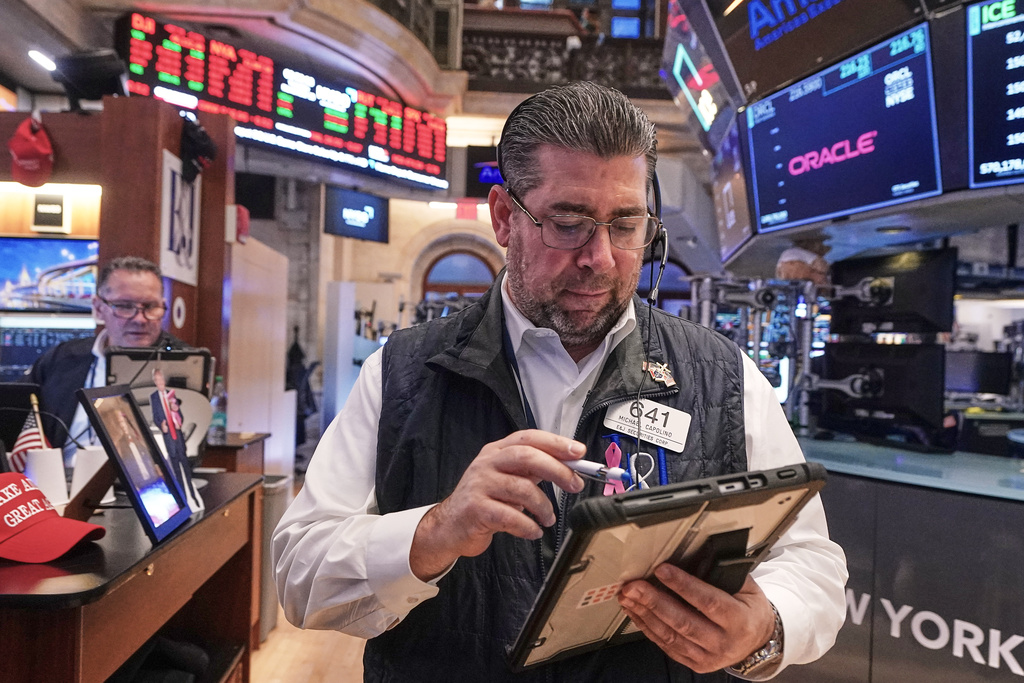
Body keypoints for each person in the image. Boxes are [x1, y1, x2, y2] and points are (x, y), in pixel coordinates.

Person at [273, 82, 847, 681]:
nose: (600, 257)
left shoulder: (722, 376)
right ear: (503, 217)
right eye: (569, 224)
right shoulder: (405, 371)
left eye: (626, 226)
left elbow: (812, 563)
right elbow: (298, 572)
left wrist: (763, 628)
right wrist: (433, 531)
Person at [28, 256, 188, 467]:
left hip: (148, 489)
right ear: (98, 307)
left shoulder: (183, 362)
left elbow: (189, 449)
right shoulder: (61, 359)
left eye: (150, 306)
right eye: (124, 306)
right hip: (59, 486)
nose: (140, 319)